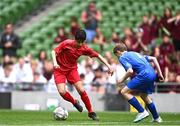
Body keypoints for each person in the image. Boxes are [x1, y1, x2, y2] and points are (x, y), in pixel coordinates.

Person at [51, 29, 113, 120]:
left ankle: (91, 112)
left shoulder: (84, 48)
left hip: (72, 70)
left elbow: (98, 55)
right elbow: (53, 52)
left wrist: (109, 66)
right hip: (59, 69)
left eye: (81, 42)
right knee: (62, 92)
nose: (80, 44)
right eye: (78, 41)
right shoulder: (66, 43)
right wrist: (55, 63)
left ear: (84, 41)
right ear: (74, 39)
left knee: (81, 89)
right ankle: (74, 102)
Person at [113, 43, 164, 123]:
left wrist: (121, 80)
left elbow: (130, 71)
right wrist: (160, 73)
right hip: (153, 73)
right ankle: (157, 118)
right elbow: (154, 59)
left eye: (116, 55)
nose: (118, 57)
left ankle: (142, 111)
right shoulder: (135, 53)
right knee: (144, 96)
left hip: (144, 74)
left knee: (124, 91)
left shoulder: (122, 57)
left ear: (118, 52)